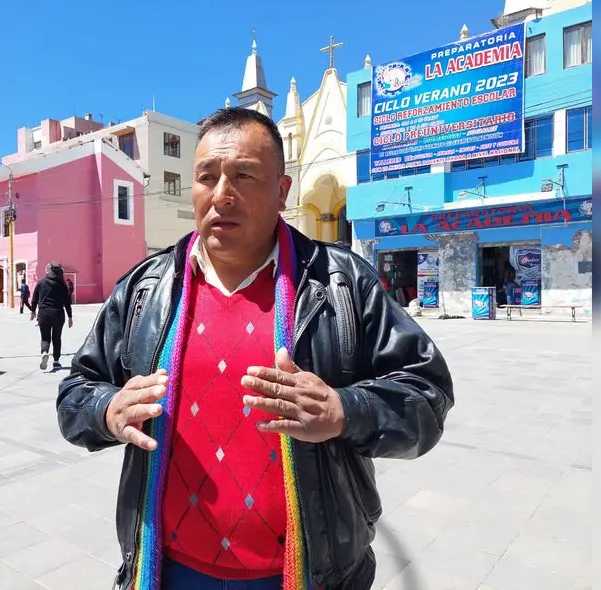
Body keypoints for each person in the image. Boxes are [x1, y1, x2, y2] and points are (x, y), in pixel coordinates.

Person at [57, 108, 454, 590]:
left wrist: (344, 411)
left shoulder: (341, 283)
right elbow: (76, 392)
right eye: (207, 177)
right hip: (169, 570)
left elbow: (427, 396)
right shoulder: (147, 289)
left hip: (311, 571)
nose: (222, 194)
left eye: (244, 175)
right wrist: (106, 410)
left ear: (282, 192)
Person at [31, 261, 73, 371]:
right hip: (58, 313)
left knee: (45, 337)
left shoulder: (41, 282)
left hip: (44, 313)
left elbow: (34, 298)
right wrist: (70, 316)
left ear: (49, 270)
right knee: (56, 337)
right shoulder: (62, 284)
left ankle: (44, 352)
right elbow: (67, 301)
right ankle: (56, 361)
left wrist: (33, 311)